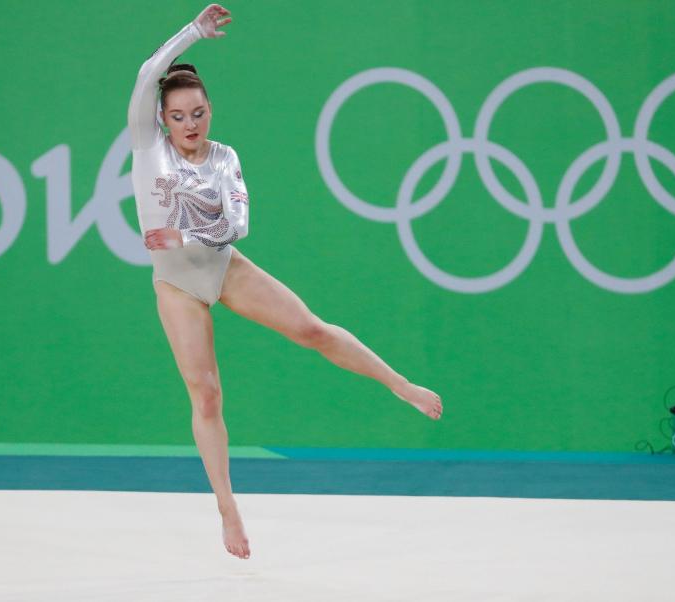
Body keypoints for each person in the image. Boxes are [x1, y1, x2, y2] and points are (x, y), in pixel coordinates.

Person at [127, 4, 443, 560]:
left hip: (223, 266)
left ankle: (398, 384)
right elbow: (147, 72)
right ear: (162, 118)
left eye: (198, 113)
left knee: (312, 330)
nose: (190, 124)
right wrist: (193, 33)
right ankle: (227, 505)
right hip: (176, 287)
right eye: (178, 116)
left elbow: (237, 225)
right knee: (206, 395)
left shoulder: (224, 158)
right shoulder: (146, 144)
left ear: (210, 110)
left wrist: (181, 237)